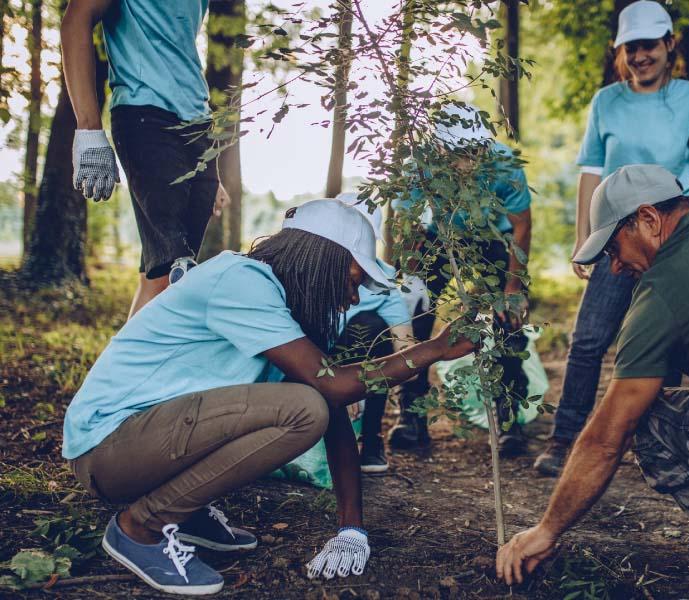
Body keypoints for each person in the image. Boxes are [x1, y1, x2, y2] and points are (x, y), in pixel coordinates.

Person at [62, 199, 475, 595]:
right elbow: (331, 387)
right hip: (109, 449)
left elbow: (333, 408)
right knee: (302, 410)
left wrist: (352, 528)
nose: (354, 299)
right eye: (353, 283)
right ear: (321, 261)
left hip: (151, 445)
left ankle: (185, 510)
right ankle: (141, 527)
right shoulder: (241, 280)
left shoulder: (285, 311)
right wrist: (433, 349)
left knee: (311, 405)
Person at [496, 165, 689, 600]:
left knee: (653, 422)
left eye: (613, 249)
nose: (615, 268)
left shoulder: (660, 293)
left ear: (649, 220)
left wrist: (547, 529)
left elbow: (607, 438)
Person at [534, 0, 689, 476]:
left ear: (668, 45)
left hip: (669, 236)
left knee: (673, 342)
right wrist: (585, 241)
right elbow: (589, 174)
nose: (640, 56)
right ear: (620, 52)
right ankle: (565, 439)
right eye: (630, 48)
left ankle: (661, 441)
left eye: (648, 46)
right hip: (614, 236)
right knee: (589, 340)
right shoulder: (606, 101)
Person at [61, 0, 230, 319]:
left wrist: (208, 165)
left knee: (158, 278)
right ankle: (134, 368)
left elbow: (175, 46)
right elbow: (76, 19)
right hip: (146, 116)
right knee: (175, 270)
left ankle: (118, 370)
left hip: (198, 125)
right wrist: (89, 129)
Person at [390, 102, 533, 456]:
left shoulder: (503, 163)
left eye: (476, 150)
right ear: (439, 148)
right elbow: (404, 225)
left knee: (504, 320)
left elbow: (521, 224)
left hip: (493, 238)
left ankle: (508, 417)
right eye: (461, 153)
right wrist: (411, 270)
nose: (470, 160)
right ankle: (411, 417)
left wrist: (512, 288)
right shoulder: (417, 167)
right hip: (438, 237)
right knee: (414, 318)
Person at [334, 192, 414, 473]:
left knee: (371, 325)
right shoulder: (309, 270)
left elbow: (405, 344)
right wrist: (335, 385)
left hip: (362, 359)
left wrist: (391, 371)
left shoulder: (384, 279)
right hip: (314, 361)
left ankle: (371, 438)